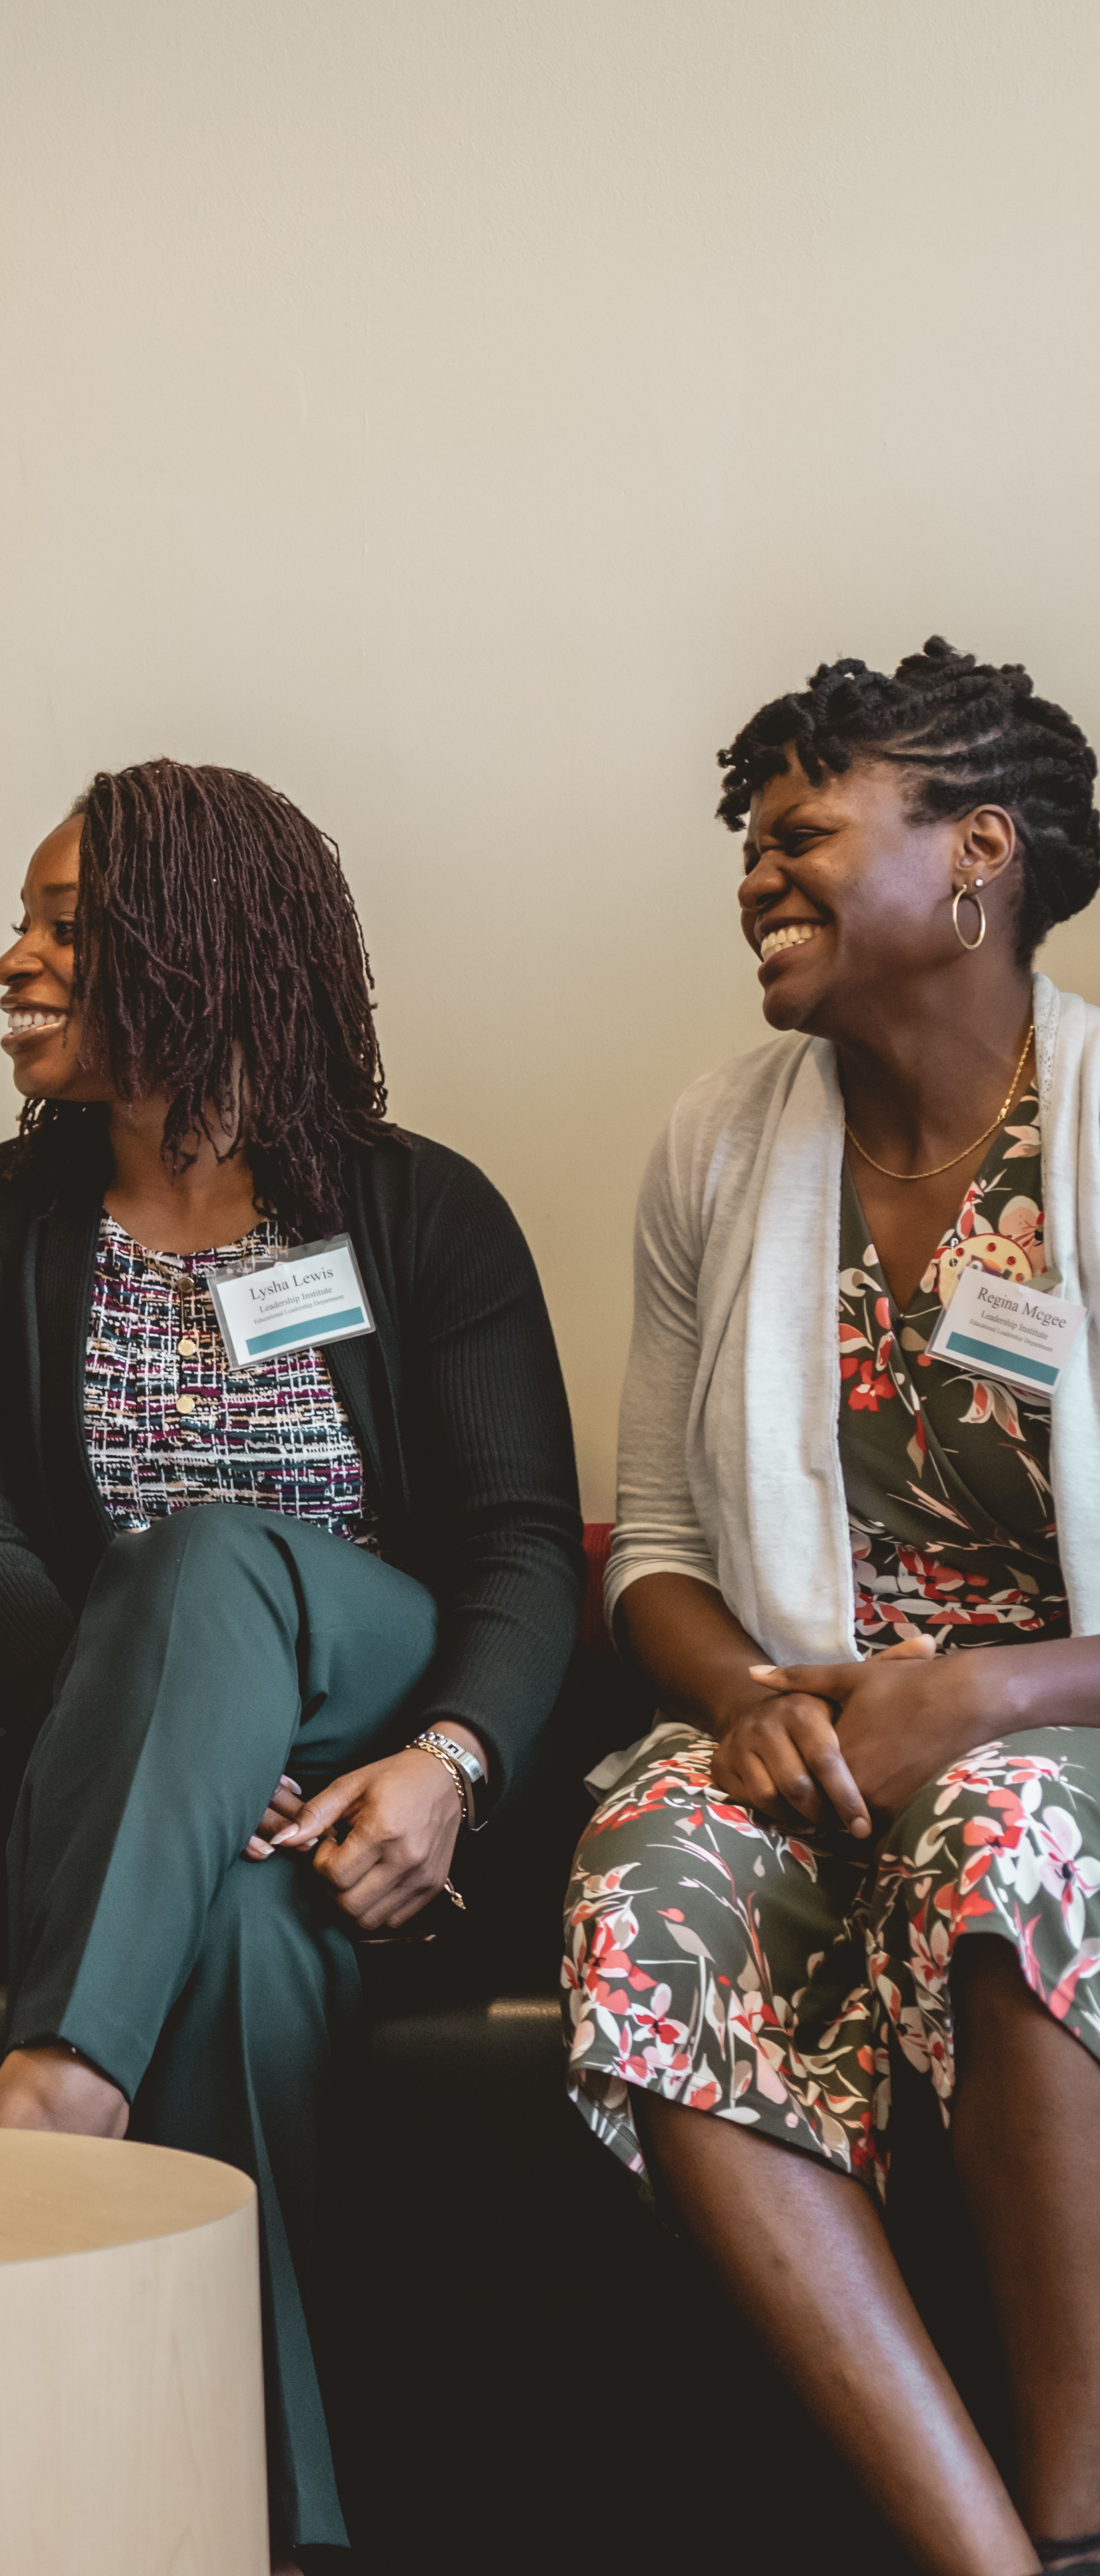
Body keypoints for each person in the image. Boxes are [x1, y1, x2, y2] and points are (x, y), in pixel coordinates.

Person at [0, 759, 584, 2574]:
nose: (14, 964)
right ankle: (262, 2535)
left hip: (375, 1721)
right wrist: (180, 1763)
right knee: (244, 1947)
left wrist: (448, 1762)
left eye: (65, 929)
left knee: (207, 1556)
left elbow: (519, 1544)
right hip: (150, 1787)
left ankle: (55, 2092)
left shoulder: (423, 1214)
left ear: (195, 950)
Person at [568, 641, 1100, 2576]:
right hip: (803, 1735)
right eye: (746, 840)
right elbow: (647, 1549)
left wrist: (973, 1699)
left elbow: (992, 1739)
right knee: (647, 1867)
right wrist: (748, 1708)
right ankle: (983, 2559)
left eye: (801, 833)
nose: (750, 875)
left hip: (1067, 1741)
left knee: (1000, 1818)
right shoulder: (717, 1144)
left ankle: (1079, 2504)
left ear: (976, 860)